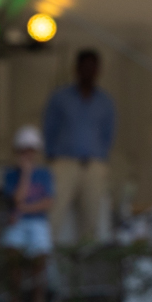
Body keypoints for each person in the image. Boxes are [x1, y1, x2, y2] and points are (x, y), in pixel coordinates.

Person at [42, 49, 115, 244]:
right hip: (64, 162)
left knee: (91, 220)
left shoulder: (105, 101)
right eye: (85, 67)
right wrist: (52, 157)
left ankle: (85, 269)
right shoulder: (60, 97)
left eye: (93, 67)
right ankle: (45, 267)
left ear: (98, 70)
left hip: (93, 164)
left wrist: (101, 159)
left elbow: (108, 134)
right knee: (54, 216)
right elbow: (49, 128)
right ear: (76, 69)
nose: (88, 71)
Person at [0, 125, 54, 302]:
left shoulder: (46, 175)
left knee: (39, 286)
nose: (28, 155)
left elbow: (47, 204)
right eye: (24, 150)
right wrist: (25, 174)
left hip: (38, 227)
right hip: (17, 229)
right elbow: (16, 198)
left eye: (31, 150)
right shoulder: (10, 175)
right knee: (15, 286)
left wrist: (23, 208)